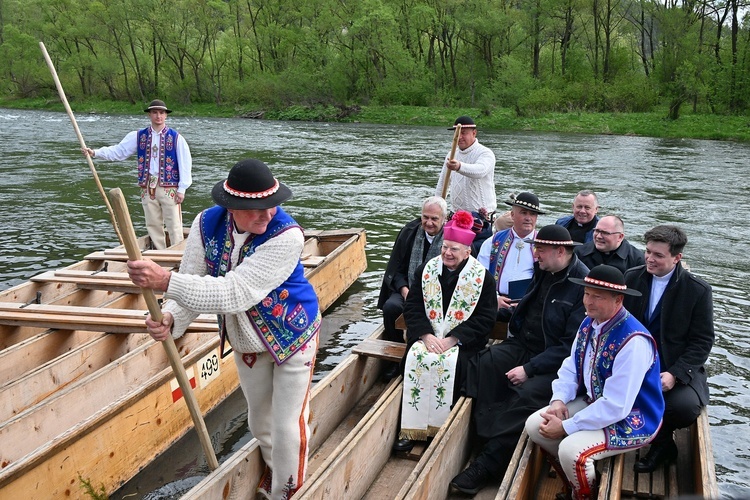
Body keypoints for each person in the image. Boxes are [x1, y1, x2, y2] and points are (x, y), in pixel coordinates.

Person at [126, 159, 319, 500]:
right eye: (257, 209)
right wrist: (172, 318)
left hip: (293, 336)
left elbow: (234, 292)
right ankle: (275, 470)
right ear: (232, 207)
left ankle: (287, 493)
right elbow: (195, 278)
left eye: (272, 206)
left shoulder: (287, 236)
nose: (267, 215)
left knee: (288, 426)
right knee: (260, 423)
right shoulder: (206, 224)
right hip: (247, 341)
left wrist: (165, 281)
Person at [450, 225, 588, 495]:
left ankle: (489, 463)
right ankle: (482, 436)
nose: (535, 253)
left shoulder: (582, 285)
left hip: (557, 364)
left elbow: (570, 347)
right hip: (523, 344)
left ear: (560, 252)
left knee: (527, 396)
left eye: (540, 249)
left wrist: (529, 369)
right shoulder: (544, 269)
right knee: (483, 363)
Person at [525, 265, 664, 500]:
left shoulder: (634, 341)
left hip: (632, 416)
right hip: (595, 403)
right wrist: (559, 398)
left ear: (618, 300)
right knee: (535, 425)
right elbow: (571, 365)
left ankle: (583, 495)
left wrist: (567, 426)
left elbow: (617, 405)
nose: (588, 302)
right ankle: (574, 482)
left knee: (572, 450)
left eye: (597, 296)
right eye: (586, 294)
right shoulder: (589, 322)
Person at [393, 210, 496, 453]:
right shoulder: (426, 270)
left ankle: (442, 431)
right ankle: (411, 428)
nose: (447, 253)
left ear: (468, 252)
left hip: (462, 341)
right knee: (413, 359)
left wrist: (453, 339)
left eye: (454, 250)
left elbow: (485, 318)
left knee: (457, 367)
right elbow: (414, 306)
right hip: (427, 335)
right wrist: (426, 335)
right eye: (445, 247)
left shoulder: (483, 279)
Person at [623, 225, 714, 473]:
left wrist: (675, 374)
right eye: (648, 252)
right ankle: (652, 442)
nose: (650, 259)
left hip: (674, 365)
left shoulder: (698, 290)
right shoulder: (631, 278)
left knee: (684, 408)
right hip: (636, 362)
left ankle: (662, 445)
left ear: (677, 258)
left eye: (658, 255)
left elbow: (702, 341)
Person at [83, 99, 192, 249]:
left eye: (161, 113)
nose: (158, 116)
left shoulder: (176, 138)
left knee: (174, 224)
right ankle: (159, 255)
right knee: (153, 223)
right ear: (149, 115)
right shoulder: (139, 136)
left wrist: (182, 189)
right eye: (155, 113)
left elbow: (185, 163)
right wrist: (95, 153)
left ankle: (176, 255)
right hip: (147, 187)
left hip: (169, 188)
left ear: (166, 115)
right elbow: (119, 152)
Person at [377, 196, 447, 379]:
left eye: (434, 219)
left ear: (444, 219)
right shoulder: (409, 232)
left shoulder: (451, 240)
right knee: (391, 308)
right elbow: (397, 269)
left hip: (440, 294)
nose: (428, 223)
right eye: (425, 217)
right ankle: (395, 357)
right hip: (409, 289)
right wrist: (405, 290)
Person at [477, 192, 545, 310]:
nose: (528, 218)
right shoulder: (493, 241)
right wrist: (494, 298)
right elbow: (479, 275)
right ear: (512, 215)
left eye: (533, 214)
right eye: (524, 213)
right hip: (495, 304)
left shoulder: (544, 245)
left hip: (530, 307)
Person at [435, 116, 497, 215]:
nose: (459, 137)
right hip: (456, 214)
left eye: (463, 133)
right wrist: (437, 207)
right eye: (457, 133)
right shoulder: (451, 154)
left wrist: (459, 166)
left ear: (474, 133)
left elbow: (480, 171)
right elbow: (442, 183)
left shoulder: (485, 153)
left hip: (481, 216)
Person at [574, 215, 645, 273]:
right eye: (597, 231)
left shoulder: (637, 260)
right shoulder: (579, 253)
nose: (598, 236)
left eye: (605, 233)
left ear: (620, 237)